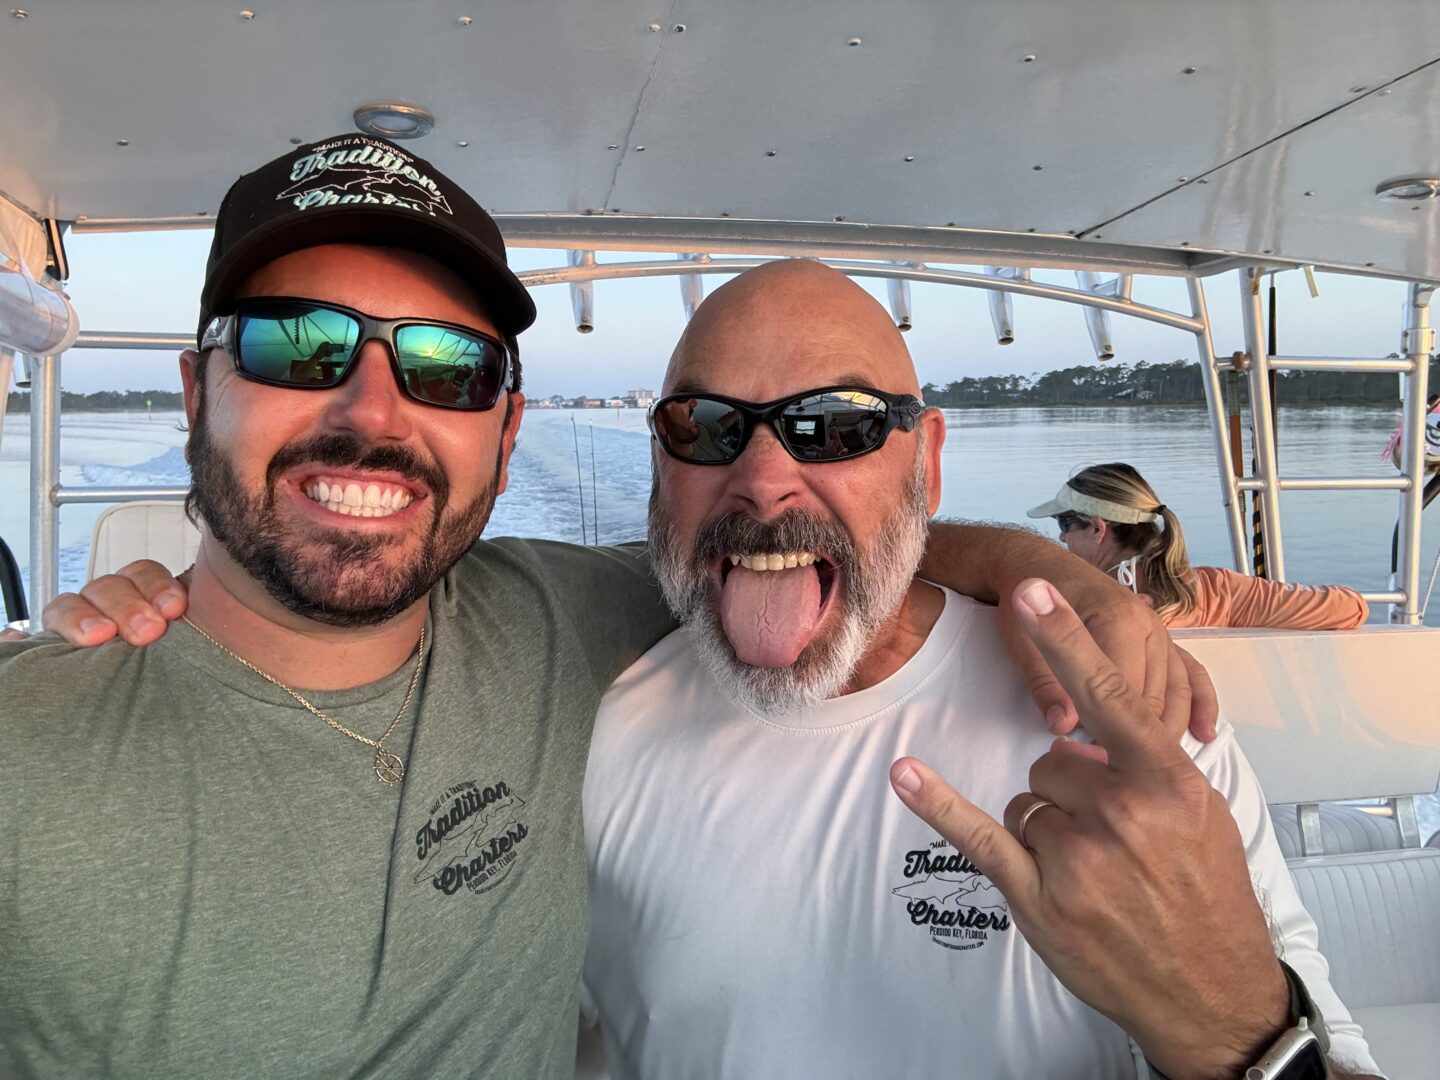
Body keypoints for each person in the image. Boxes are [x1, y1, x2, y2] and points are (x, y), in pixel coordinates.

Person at [4, 135, 1197, 1078]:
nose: (371, 410)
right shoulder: (28, 755)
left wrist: (1053, 577)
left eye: (447, 367)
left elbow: (791, 542)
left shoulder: (556, 618)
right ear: (195, 391)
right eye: (293, 346)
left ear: (506, 429)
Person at [580, 261, 1379, 1078]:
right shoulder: (583, 734)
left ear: (926, 462)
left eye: (836, 425)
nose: (762, 482)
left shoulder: (1130, 726)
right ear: (660, 461)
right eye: (704, 426)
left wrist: (1232, 1028)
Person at [1028, 463, 1370, 629]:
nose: (1062, 538)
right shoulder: (1218, 592)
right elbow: (1351, 608)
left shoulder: (1070, 602)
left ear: (1097, 528)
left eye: (1064, 524)